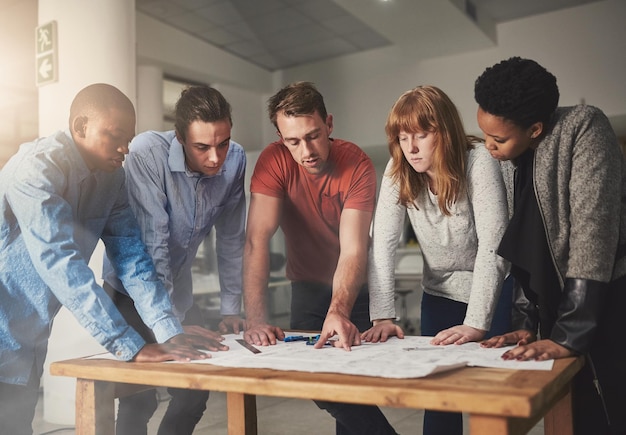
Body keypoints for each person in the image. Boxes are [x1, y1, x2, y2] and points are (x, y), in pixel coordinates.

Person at [0, 83, 227, 435]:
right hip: (2, 331)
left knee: (17, 426)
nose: (126, 148)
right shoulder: (35, 171)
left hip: (29, 341)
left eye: (130, 137)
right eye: (115, 136)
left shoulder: (113, 179)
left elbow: (132, 257)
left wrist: (166, 331)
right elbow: (62, 265)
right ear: (80, 128)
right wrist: (130, 346)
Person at [475, 57, 626, 434]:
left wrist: (570, 334)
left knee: (611, 413)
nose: (489, 147)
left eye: (498, 139)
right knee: (570, 418)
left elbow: (593, 235)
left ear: (536, 128)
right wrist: (527, 324)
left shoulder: (583, 127)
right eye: (486, 136)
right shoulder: (516, 158)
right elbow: (527, 247)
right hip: (560, 310)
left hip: (604, 303)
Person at [243, 81, 397, 435]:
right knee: (320, 384)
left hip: (355, 287)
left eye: (313, 136)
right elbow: (256, 240)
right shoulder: (274, 161)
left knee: (352, 386)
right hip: (307, 287)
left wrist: (338, 310)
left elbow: (353, 248)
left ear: (329, 124)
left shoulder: (355, 162)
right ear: (280, 138)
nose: (306, 150)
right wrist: (255, 319)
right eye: (293, 141)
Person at [362, 85, 510, 435]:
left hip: (494, 290)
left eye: (421, 135)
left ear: (443, 132)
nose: (410, 148)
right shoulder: (399, 170)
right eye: (402, 137)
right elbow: (381, 244)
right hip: (439, 293)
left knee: (495, 398)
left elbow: (494, 243)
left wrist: (476, 323)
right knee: (441, 398)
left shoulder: (478, 160)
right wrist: (382, 315)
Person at [102, 85, 246, 435]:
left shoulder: (236, 158)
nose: (216, 158)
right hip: (130, 291)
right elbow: (155, 247)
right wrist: (170, 327)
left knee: (194, 389)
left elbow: (230, 239)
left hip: (178, 291)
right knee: (139, 396)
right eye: (202, 147)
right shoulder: (146, 153)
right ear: (180, 138)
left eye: (223, 143)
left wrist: (231, 310)